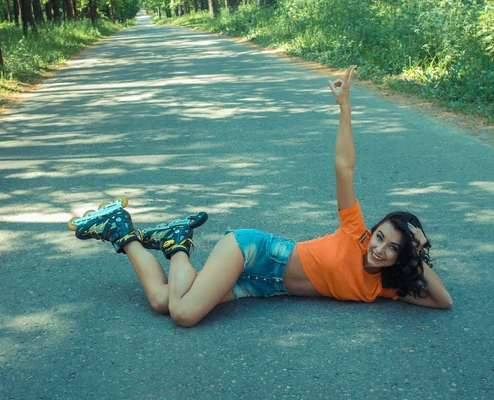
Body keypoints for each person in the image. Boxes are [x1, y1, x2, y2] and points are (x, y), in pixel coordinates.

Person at [71, 65, 453, 327]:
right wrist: (345, 108)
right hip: (255, 251)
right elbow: (343, 166)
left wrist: (418, 250)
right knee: (184, 314)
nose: (379, 248)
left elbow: (442, 300)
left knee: (162, 301)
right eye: (381, 235)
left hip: (262, 286)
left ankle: (126, 230)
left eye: (392, 248)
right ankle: (177, 246)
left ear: (402, 257)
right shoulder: (356, 232)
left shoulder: (386, 288)